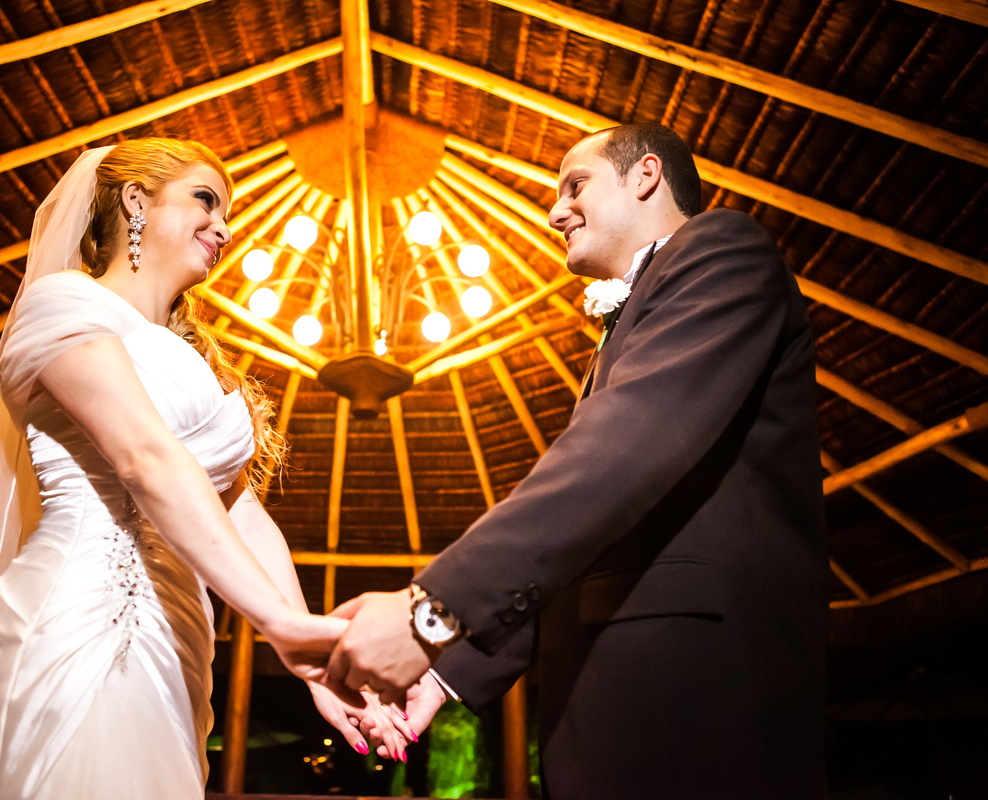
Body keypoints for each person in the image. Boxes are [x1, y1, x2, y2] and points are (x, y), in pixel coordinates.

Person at [0, 138, 411, 800]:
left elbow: (241, 511)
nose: (224, 227)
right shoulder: (62, 304)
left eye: (228, 213)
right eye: (205, 200)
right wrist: (278, 626)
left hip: (177, 637)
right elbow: (145, 459)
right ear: (135, 200)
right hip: (72, 616)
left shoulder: (201, 361)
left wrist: (306, 651)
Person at [326, 124, 828, 798]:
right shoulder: (625, 330)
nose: (556, 210)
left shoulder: (723, 248)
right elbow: (592, 537)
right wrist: (446, 672)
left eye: (575, 184)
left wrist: (432, 611)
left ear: (645, 175)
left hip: (696, 705)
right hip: (612, 719)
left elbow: (615, 459)